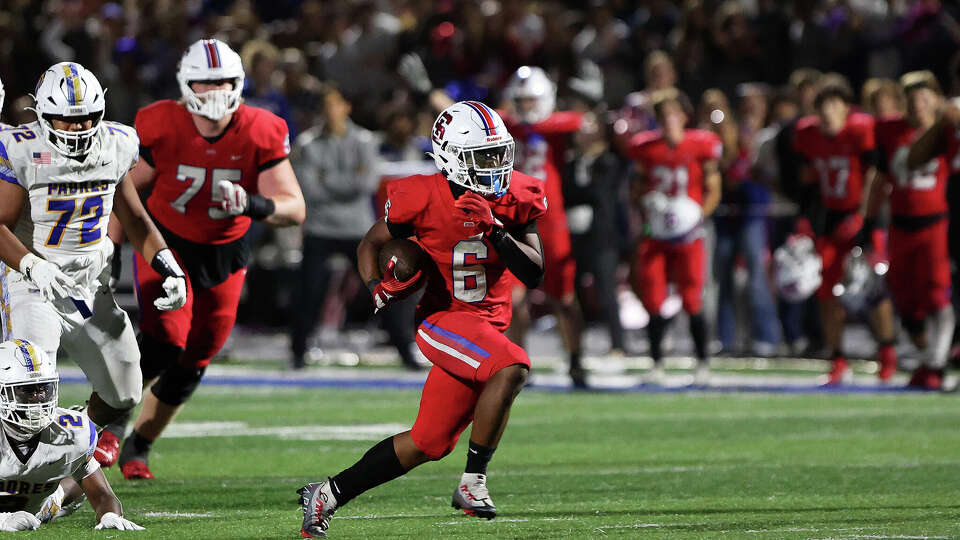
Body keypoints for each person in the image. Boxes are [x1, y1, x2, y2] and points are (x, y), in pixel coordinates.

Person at [296, 101, 545, 537]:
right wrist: (376, 285)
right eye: (482, 156)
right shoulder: (419, 195)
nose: (494, 165)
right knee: (511, 367)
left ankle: (328, 494)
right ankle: (474, 483)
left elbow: (534, 271)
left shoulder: (516, 195)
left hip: (488, 328)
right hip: (443, 320)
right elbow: (369, 243)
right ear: (449, 156)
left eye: (497, 153)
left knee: (427, 443)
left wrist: (495, 231)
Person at [95, 38, 305, 479]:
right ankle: (111, 420)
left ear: (238, 83)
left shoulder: (261, 129)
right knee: (166, 340)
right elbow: (126, 192)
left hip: (227, 252)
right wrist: (111, 245)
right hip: (166, 244)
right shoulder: (162, 123)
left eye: (222, 82)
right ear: (185, 85)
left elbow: (293, 207)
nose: (213, 92)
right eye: (203, 83)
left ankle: (141, 443)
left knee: (197, 357)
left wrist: (254, 204)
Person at [0, 62, 187, 430]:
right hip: (34, 284)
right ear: (41, 114)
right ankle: (29, 479)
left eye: (87, 117)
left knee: (124, 391)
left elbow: (134, 218)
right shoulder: (20, 148)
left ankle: (71, 469)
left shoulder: (116, 143)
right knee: (29, 394)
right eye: (66, 119)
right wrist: (33, 266)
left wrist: (168, 265)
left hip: (89, 286)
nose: (79, 127)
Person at [289, 85, 419, 371]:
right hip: (320, 229)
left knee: (383, 288)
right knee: (308, 292)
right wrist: (346, 181)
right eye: (325, 105)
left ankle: (405, 350)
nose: (329, 111)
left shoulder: (364, 141)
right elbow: (309, 188)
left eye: (335, 104)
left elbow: (366, 184)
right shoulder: (308, 143)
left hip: (356, 229)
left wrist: (327, 179)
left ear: (346, 107)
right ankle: (297, 353)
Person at [793, 76, 897, 384]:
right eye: (823, 105)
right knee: (826, 291)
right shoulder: (809, 134)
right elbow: (808, 179)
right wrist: (806, 220)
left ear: (846, 108)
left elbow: (876, 176)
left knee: (872, 290)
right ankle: (837, 357)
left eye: (834, 105)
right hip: (831, 219)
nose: (828, 112)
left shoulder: (860, 129)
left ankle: (887, 353)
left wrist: (864, 217)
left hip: (862, 218)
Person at [627, 89, 721, 385]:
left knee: (692, 298)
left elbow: (714, 187)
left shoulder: (701, 144)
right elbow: (637, 188)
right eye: (663, 116)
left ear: (684, 116)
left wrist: (697, 217)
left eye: (673, 114)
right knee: (653, 298)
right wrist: (644, 205)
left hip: (689, 234)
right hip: (656, 233)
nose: (669, 121)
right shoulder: (646, 147)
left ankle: (702, 363)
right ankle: (657, 365)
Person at [501, 66, 587, 388]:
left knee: (563, 297)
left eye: (531, 100)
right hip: (513, 220)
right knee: (513, 298)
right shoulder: (506, 124)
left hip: (550, 221)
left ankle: (576, 359)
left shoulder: (555, 126)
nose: (525, 107)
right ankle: (520, 363)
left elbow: (579, 121)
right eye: (520, 101)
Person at [0, 339, 143, 531]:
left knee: (70, 470)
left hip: (43, 506)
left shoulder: (74, 433)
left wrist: (110, 515)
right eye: (27, 390)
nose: (38, 398)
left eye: (44, 388)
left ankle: (57, 495)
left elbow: (102, 494)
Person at [872, 71, 953, 390]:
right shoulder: (890, 130)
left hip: (935, 223)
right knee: (906, 300)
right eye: (911, 98)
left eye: (924, 97)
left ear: (936, 99)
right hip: (900, 224)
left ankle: (936, 363)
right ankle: (928, 358)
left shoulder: (947, 130)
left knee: (936, 294)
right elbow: (878, 178)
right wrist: (868, 220)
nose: (917, 104)